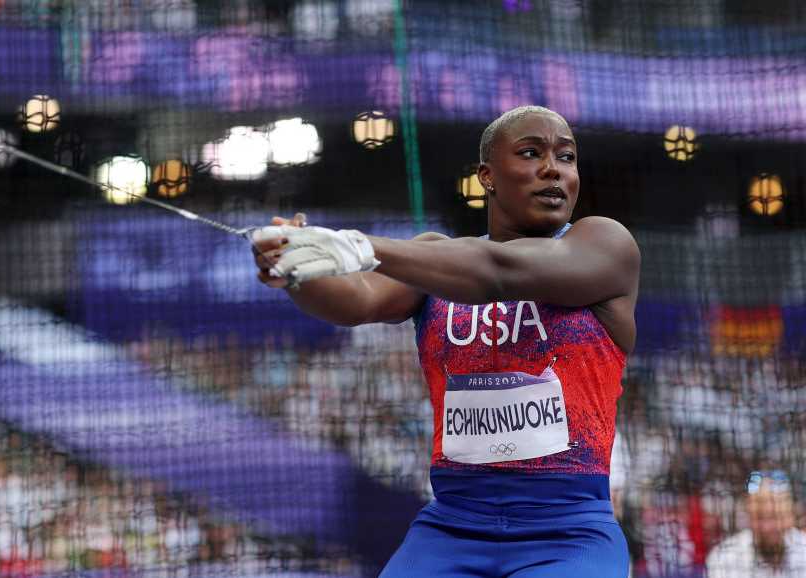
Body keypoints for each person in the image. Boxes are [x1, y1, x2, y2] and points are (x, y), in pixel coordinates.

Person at [252, 105, 639, 577]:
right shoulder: (432, 258)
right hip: (452, 526)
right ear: (487, 176)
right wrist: (293, 266)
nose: (551, 169)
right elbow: (357, 302)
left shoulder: (605, 245)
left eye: (566, 157)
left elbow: (498, 271)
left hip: (569, 532)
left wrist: (362, 247)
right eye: (531, 153)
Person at [705, 470, 806, 577]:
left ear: (790, 516)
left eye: (775, 518)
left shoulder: (803, 549)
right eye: (760, 518)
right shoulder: (724, 558)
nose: (767, 528)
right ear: (749, 517)